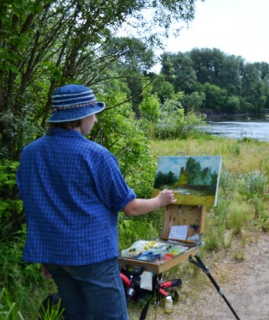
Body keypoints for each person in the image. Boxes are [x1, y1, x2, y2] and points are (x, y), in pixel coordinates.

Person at [16, 84, 176, 320]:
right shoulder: (95, 154)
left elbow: (33, 206)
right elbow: (129, 207)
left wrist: (45, 256)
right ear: (78, 118)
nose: (95, 121)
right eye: (93, 114)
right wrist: (159, 200)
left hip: (54, 256)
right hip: (92, 256)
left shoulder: (30, 153)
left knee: (77, 315)